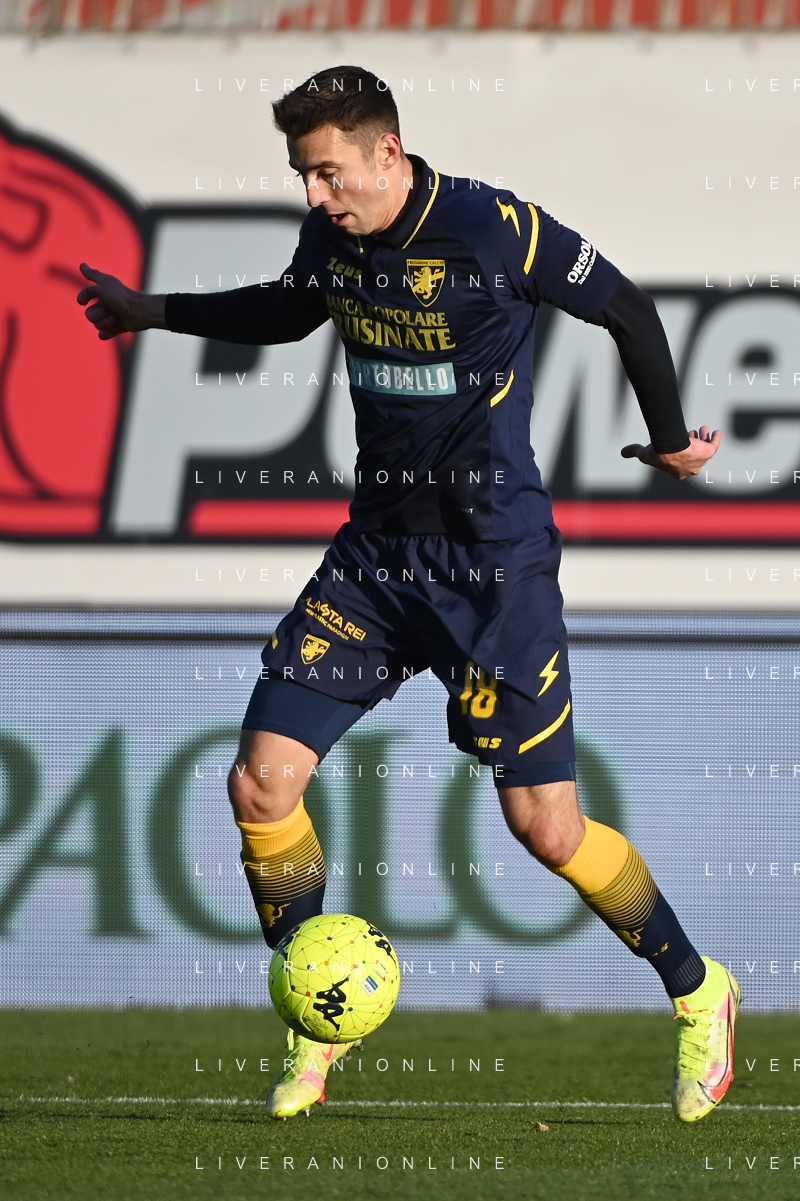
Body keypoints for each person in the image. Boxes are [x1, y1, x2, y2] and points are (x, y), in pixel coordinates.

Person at [77, 64, 738, 1124]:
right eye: (302, 175)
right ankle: (316, 1021)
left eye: (326, 172)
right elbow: (289, 310)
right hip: (377, 562)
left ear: (386, 152)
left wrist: (668, 442)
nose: (313, 195)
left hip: (493, 567)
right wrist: (149, 310)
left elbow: (624, 305)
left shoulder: (492, 229)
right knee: (261, 784)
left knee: (547, 829)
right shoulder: (332, 236)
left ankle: (699, 989)